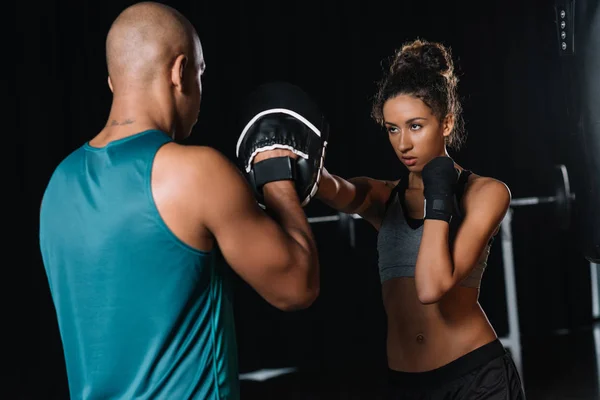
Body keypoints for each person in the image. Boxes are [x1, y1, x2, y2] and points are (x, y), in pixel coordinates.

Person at [38, 2, 324, 399]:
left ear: (113, 82)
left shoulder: (58, 187)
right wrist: (275, 174)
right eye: (201, 72)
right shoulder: (195, 172)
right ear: (180, 71)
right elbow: (297, 286)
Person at [315, 39, 526, 399]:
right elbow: (335, 189)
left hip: (476, 378)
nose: (403, 144)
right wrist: (301, 164)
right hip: (407, 385)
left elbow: (431, 287)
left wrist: (439, 193)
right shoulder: (383, 196)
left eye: (415, 126)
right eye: (392, 129)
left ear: (445, 123)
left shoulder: (485, 193)